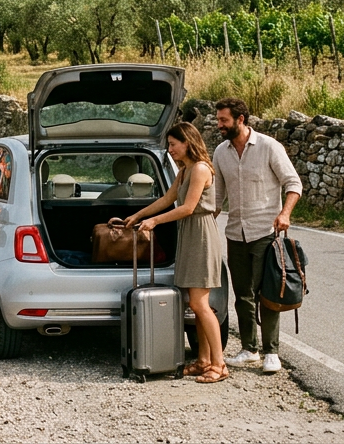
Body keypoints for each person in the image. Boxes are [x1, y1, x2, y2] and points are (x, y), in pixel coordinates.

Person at [122, 122, 228, 383]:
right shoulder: (184, 171)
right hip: (190, 235)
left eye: (173, 144)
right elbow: (167, 200)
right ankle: (203, 360)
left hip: (201, 235)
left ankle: (220, 364)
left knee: (200, 304)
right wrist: (139, 215)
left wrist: (155, 222)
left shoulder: (200, 169)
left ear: (187, 142)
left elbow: (188, 208)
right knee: (196, 303)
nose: (170, 149)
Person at [211, 97, 302, 375]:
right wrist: (204, 223)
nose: (219, 125)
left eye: (224, 120)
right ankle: (249, 349)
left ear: (240, 119)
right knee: (242, 295)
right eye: (218, 120)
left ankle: (271, 352)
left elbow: (293, 183)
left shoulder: (269, 146)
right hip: (235, 233)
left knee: (268, 294)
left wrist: (285, 214)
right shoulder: (221, 152)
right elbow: (217, 195)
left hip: (265, 232)